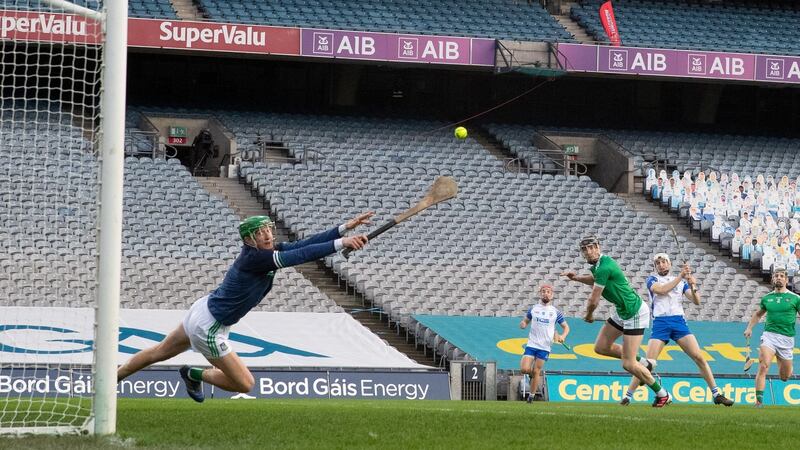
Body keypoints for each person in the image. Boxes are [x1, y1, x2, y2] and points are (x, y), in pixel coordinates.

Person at [116, 212, 374, 402]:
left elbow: (303, 245)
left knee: (158, 352)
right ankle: (194, 374)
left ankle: (110, 379)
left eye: (268, 230)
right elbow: (300, 256)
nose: (267, 235)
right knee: (244, 384)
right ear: (249, 240)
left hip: (203, 309)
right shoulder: (256, 258)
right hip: (210, 325)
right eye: (260, 233)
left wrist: (342, 229)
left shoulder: (268, 251)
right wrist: (342, 244)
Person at [561, 236, 671, 407]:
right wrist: (576, 278)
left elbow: (593, 300)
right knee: (601, 347)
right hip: (622, 310)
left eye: (591, 247)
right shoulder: (599, 266)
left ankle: (662, 394)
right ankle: (645, 363)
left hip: (634, 312)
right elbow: (594, 279)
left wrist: (589, 315)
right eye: (585, 249)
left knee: (628, 363)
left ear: (598, 247)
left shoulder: (604, 266)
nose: (588, 252)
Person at [620, 253, 734, 406]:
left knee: (699, 357)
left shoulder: (681, 283)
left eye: (664, 261)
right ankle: (628, 396)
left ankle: (716, 394)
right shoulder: (652, 279)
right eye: (658, 263)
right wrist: (681, 276)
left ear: (670, 263)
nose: (661, 264)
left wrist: (693, 285)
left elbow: (697, 301)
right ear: (655, 266)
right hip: (660, 323)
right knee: (647, 363)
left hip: (679, 322)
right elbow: (661, 290)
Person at [743, 268, 800, 407]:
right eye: (776, 276)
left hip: (787, 339)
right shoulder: (767, 298)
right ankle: (758, 402)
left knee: (784, 377)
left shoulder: (795, 298)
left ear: (786, 280)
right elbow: (758, 314)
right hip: (769, 336)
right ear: (773, 279)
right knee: (764, 365)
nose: (779, 278)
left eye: (781, 276)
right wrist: (749, 328)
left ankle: (786, 368)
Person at [519, 284, 570, 403]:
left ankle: (531, 396)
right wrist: (523, 324)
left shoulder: (555, 312)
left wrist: (562, 336)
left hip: (545, 347)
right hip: (532, 344)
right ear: (540, 294)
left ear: (552, 295)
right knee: (525, 369)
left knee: (537, 371)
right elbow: (525, 321)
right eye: (543, 291)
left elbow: (566, 327)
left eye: (548, 292)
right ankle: (531, 375)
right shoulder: (533, 309)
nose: (545, 293)